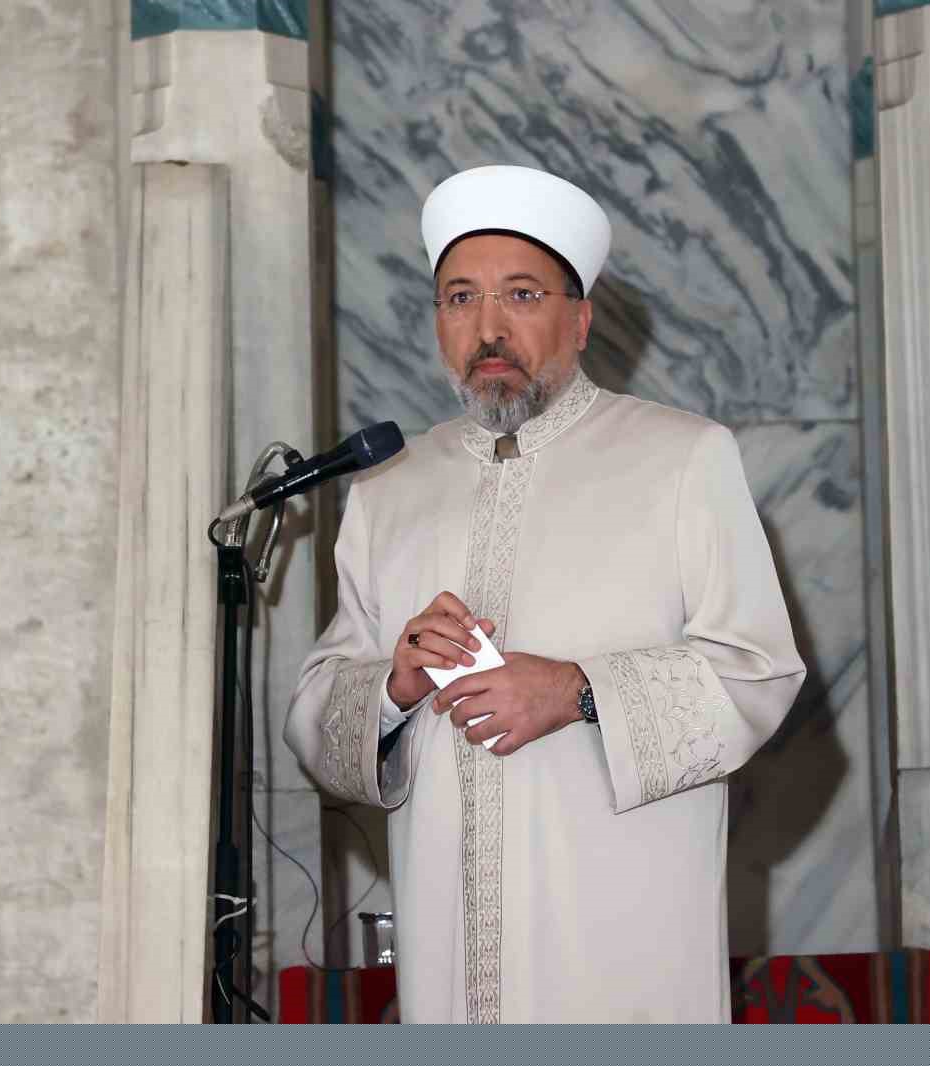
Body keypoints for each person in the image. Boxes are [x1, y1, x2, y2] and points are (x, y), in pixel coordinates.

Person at [283, 164, 806, 1023]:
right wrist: (393, 687)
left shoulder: (683, 458)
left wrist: (578, 689)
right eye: (459, 299)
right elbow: (315, 714)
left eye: (521, 295)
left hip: (622, 938)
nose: (488, 327)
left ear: (581, 317)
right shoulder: (387, 489)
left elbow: (757, 672)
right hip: (445, 948)